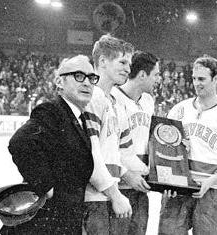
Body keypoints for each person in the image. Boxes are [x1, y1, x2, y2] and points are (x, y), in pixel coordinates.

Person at [0, 55, 97, 234]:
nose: (87, 83)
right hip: (44, 222)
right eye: (79, 76)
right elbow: (20, 143)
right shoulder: (51, 111)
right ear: (60, 82)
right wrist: (47, 187)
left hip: (63, 219)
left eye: (91, 78)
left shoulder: (77, 117)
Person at [158, 55, 217, 235]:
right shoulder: (179, 109)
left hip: (214, 191)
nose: (196, 83)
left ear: (215, 79)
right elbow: (164, 148)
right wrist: (167, 181)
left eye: (202, 79)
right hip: (179, 189)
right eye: (194, 78)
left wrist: (212, 180)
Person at [83, 35, 143, 234]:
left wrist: (157, 178)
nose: (128, 68)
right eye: (122, 62)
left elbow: (123, 155)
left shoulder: (115, 104)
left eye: (130, 63)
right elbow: (91, 156)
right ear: (102, 62)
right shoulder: (91, 98)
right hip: (92, 199)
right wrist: (116, 196)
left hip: (107, 196)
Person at [110, 51, 160, 234]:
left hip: (141, 187)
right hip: (118, 187)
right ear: (142, 75)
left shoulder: (148, 100)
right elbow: (108, 146)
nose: (158, 79)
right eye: (156, 74)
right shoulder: (113, 98)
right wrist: (125, 174)